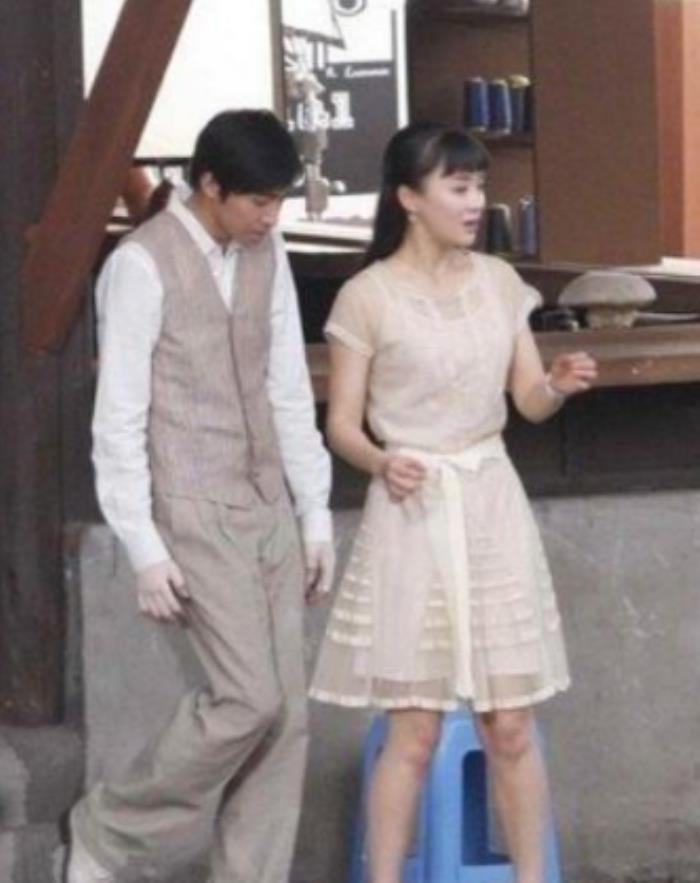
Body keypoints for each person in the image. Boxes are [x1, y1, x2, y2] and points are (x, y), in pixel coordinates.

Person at [309, 122, 597, 883]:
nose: (475, 202)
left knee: (511, 723)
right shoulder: (367, 296)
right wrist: (383, 462)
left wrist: (556, 385)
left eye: (479, 187)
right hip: (412, 507)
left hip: (491, 500)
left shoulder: (500, 282)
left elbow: (527, 400)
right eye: (459, 187)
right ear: (409, 198)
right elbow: (342, 425)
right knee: (414, 730)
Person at [67, 109, 335, 883]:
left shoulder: (266, 250)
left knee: (287, 718)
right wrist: (144, 547)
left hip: (268, 503)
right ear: (210, 184)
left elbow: (288, 385)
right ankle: (109, 831)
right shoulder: (141, 264)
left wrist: (314, 512)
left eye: (279, 200)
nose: (270, 217)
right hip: (191, 505)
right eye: (258, 200)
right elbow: (119, 416)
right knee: (248, 698)